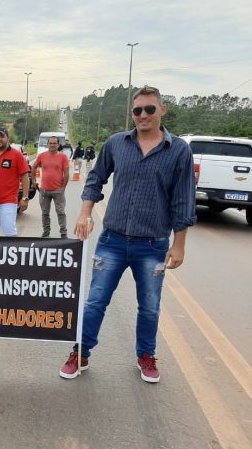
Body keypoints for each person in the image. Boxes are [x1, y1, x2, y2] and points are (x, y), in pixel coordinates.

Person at [59, 85, 196, 383]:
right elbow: (95, 179)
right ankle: (80, 353)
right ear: (132, 114)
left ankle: (145, 355)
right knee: (95, 301)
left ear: (162, 110)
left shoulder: (178, 151)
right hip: (113, 241)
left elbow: (183, 199)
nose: (143, 115)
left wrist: (179, 244)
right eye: (137, 110)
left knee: (149, 306)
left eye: (149, 109)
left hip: (153, 245)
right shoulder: (116, 144)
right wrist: (84, 213)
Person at [31, 136, 70, 238]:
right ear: (48, 144)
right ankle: (46, 232)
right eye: (50, 143)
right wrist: (33, 180)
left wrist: (63, 188)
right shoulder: (42, 156)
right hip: (44, 190)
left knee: (61, 212)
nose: (52, 145)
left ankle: (63, 233)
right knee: (45, 213)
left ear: (58, 145)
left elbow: (66, 173)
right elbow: (34, 167)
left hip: (58, 190)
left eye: (54, 143)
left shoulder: (63, 157)